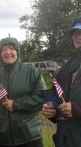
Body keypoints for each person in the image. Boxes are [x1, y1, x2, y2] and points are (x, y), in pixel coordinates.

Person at [0, 37, 47, 147]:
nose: (8, 52)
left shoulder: (32, 73)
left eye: (12, 48)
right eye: (4, 49)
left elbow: (42, 98)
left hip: (30, 138)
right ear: (0, 53)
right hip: (4, 139)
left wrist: (16, 104)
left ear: (17, 52)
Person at [42, 16, 81, 147]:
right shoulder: (66, 66)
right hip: (63, 141)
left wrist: (76, 110)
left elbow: (75, 110)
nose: (79, 36)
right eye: (76, 33)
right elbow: (56, 95)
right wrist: (51, 110)